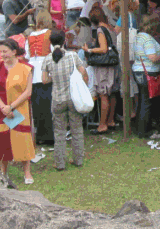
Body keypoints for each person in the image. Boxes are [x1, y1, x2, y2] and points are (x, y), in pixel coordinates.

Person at [0, 38, 35, 184]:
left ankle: (27, 172)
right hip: (1, 110)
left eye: (5, 51)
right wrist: (3, 107)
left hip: (19, 110)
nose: (2, 55)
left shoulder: (26, 68)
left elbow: (28, 92)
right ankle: (3, 172)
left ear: (14, 52)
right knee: (2, 140)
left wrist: (12, 106)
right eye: (0, 52)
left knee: (23, 139)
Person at [42, 30, 87, 170]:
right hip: (73, 98)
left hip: (57, 99)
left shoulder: (48, 59)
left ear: (50, 43)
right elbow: (83, 71)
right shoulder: (72, 56)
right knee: (77, 130)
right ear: (64, 42)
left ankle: (60, 163)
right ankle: (78, 159)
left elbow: (44, 80)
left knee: (59, 132)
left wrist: (53, 78)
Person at [82, 9, 118, 135]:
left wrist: (90, 50)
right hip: (112, 64)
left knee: (103, 94)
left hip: (104, 66)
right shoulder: (110, 28)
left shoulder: (100, 30)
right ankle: (110, 120)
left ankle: (102, 125)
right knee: (111, 93)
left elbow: (103, 49)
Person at [132, 15, 160, 138]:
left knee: (143, 101)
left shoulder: (138, 36)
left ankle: (140, 127)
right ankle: (145, 131)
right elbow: (152, 57)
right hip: (148, 72)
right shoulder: (148, 39)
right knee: (147, 102)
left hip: (139, 71)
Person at [26, 11, 54, 145]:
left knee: (37, 106)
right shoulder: (49, 34)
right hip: (45, 68)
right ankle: (49, 135)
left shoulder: (30, 36)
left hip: (33, 70)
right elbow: (54, 50)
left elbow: (27, 54)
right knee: (48, 104)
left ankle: (40, 134)